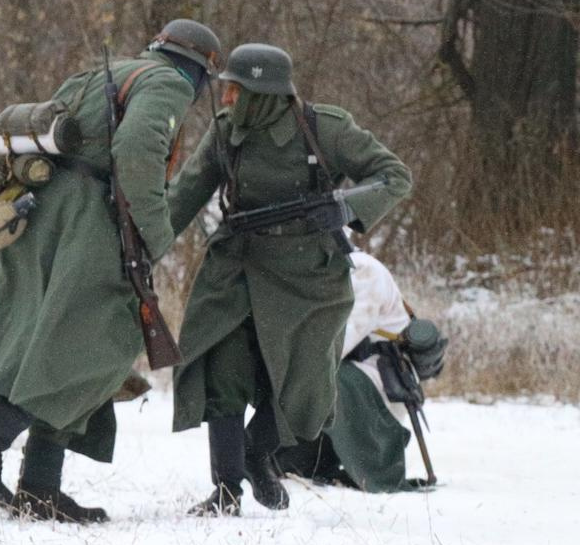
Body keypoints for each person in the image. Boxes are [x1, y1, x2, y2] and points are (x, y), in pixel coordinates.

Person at [0, 18, 224, 523]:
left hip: (40, 216)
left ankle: (40, 488)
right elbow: (137, 153)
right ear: (200, 72)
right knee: (93, 345)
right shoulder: (167, 85)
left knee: (51, 343)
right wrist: (155, 234)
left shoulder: (101, 74)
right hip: (87, 224)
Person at [166, 45, 413, 515]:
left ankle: (260, 453)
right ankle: (226, 489)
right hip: (236, 264)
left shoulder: (326, 128)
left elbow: (394, 176)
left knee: (307, 382)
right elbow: (184, 197)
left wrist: (346, 206)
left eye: (237, 90)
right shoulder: (225, 133)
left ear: (264, 94)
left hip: (309, 274)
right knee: (222, 367)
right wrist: (135, 250)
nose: (227, 98)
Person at [279, 247, 446, 492]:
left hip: (383, 384)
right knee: (311, 377)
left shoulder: (364, 271)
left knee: (326, 376)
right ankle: (299, 459)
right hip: (360, 375)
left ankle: (376, 470)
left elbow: (339, 343)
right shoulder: (326, 273)